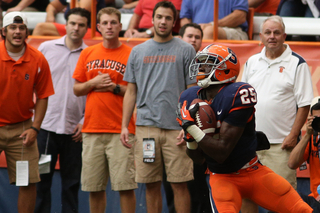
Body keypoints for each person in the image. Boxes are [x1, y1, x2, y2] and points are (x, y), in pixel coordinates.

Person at [176, 43, 313, 213]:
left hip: (252, 171)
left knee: (301, 209)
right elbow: (198, 159)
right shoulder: (190, 97)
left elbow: (221, 152)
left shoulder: (237, 93)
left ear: (225, 69)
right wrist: (190, 138)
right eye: (201, 63)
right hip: (222, 177)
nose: (201, 68)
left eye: (208, 64)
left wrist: (192, 128)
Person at [121, 1, 196, 213]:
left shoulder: (186, 50)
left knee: (179, 184)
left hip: (177, 129)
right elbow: (131, 91)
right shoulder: (137, 51)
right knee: (151, 184)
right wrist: (125, 126)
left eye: (168, 18)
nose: (163, 21)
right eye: (159, 17)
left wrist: (187, 125)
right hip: (146, 128)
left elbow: (192, 91)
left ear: (174, 22)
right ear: (152, 20)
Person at [241, 15, 313, 212]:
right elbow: (241, 100)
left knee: (281, 200)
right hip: (250, 143)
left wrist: (292, 136)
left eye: (276, 32)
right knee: (247, 197)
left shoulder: (297, 63)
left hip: (280, 145)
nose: (272, 36)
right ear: (261, 36)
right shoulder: (251, 62)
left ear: (284, 36)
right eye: (268, 32)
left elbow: (304, 105)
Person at [73, 7, 137, 213]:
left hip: (122, 129)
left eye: (113, 22)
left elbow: (137, 91)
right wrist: (93, 82)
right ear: (98, 27)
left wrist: (114, 88)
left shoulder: (131, 54)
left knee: (125, 186)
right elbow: (77, 89)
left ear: (120, 25)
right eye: (105, 23)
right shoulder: (87, 52)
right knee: (94, 187)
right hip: (92, 129)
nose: (109, 26)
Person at [33, 8, 89, 213]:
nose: (76, 28)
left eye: (81, 24)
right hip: (45, 128)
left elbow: (93, 93)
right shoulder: (46, 48)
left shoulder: (90, 54)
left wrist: (85, 121)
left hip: (75, 131)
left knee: (71, 185)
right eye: (73, 23)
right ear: (65, 24)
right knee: (40, 183)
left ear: (87, 28)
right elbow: (30, 82)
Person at [0, 12, 54, 213]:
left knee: (29, 182)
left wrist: (35, 128)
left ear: (27, 32)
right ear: (3, 32)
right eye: (12, 28)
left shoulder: (38, 58)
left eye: (21, 28)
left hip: (22, 128)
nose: (17, 32)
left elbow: (43, 95)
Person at [288, 96, 320, 211]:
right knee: (285, 201)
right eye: (317, 119)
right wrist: (307, 134)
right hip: (315, 199)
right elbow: (292, 163)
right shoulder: (312, 138)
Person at [179, 0, 248, 40]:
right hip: (198, 30)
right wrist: (191, 30)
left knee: (209, 31)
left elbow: (240, 16)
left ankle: (200, 62)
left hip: (234, 30)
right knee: (179, 37)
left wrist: (211, 25)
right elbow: (184, 19)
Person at [31, 0, 103, 38]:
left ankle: (32, 58)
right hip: (72, 29)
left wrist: (71, 1)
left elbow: (80, 12)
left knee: (41, 28)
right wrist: (50, 17)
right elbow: (52, 6)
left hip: (91, 32)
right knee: (42, 29)